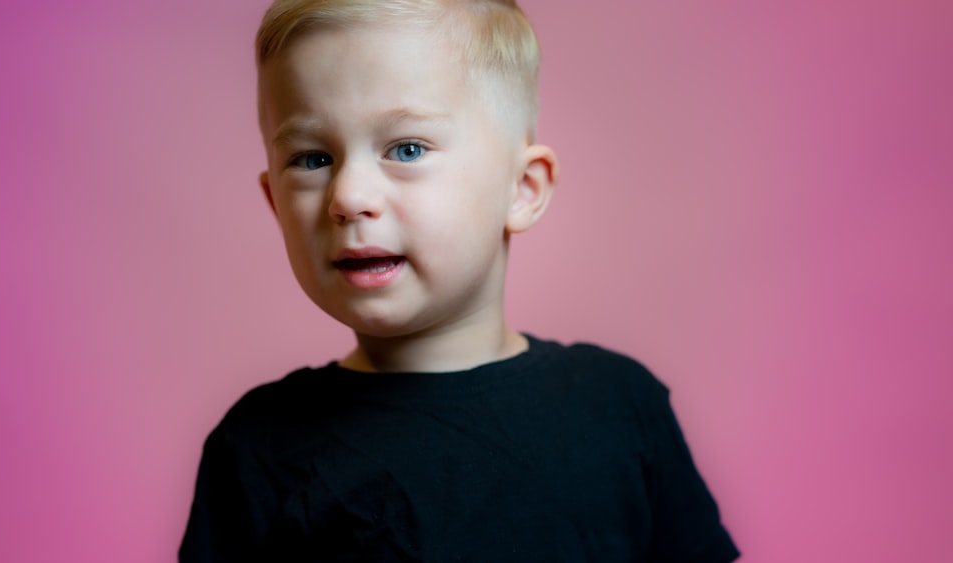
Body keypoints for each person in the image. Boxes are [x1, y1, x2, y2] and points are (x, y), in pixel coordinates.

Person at [180, 0, 739, 561]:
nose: (348, 198)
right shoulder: (256, 446)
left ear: (521, 188)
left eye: (407, 149)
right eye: (310, 159)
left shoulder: (621, 407)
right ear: (275, 202)